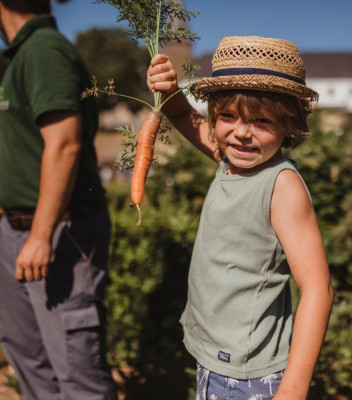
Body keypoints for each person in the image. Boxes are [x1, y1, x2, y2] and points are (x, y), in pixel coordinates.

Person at [147, 36, 334, 399]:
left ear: (288, 124)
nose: (241, 133)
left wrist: (293, 390)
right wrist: (168, 88)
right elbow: (184, 116)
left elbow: (318, 291)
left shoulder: (280, 186)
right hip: (215, 360)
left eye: (261, 120)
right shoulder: (230, 159)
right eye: (228, 116)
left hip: (249, 377)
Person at [0, 1, 117, 399]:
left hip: (56, 233)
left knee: (75, 372)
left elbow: (64, 145)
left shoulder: (43, 49)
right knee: (29, 359)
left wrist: (40, 234)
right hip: (19, 230)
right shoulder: (18, 56)